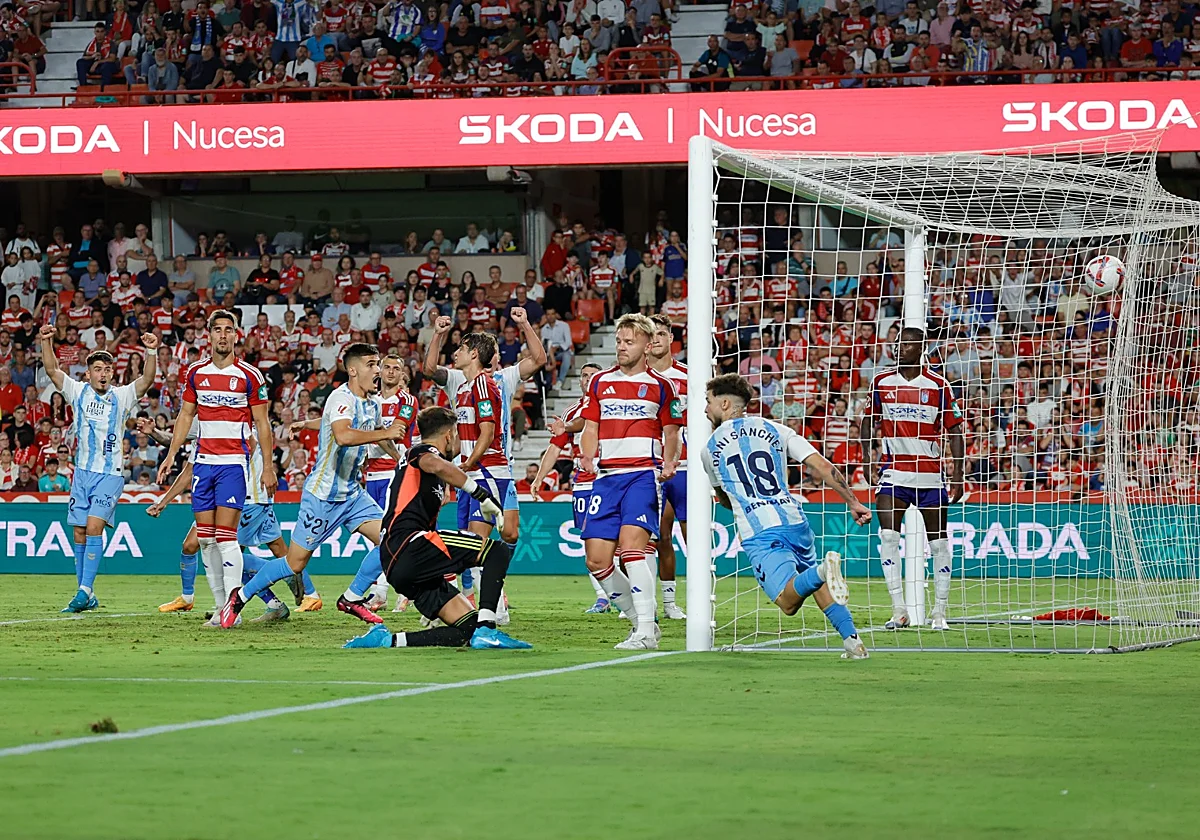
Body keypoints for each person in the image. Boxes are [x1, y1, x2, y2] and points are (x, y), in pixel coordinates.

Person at [218, 343, 407, 628]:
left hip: (353, 494)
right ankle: (239, 597)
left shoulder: (372, 402)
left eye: (378, 363)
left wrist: (400, 457)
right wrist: (386, 431)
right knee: (294, 563)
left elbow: (365, 432)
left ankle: (352, 598)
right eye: (372, 364)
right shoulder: (339, 397)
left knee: (394, 540)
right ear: (353, 370)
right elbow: (342, 434)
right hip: (323, 496)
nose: (378, 369)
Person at [703, 373, 870, 660]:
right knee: (812, 580)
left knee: (788, 602)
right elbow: (821, 464)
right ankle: (853, 642)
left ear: (725, 403)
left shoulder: (709, 449)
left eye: (708, 402)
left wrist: (744, 507)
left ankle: (822, 571)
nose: (706, 409)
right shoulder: (777, 429)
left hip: (761, 531)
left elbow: (724, 499)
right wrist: (853, 501)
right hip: (795, 520)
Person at [342, 406, 532, 650]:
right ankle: (488, 629)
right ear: (450, 435)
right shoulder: (422, 452)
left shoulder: (418, 464)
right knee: (496, 551)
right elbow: (436, 464)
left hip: (399, 564)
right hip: (411, 545)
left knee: (466, 629)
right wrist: (481, 495)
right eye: (459, 435)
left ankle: (387, 639)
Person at [155, 311, 276, 628]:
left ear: (237, 335)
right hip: (203, 465)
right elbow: (184, 416)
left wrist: (268, 467)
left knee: (226, 538)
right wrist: (171, 455)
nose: (223, 335)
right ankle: (222, 606)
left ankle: (231, 611)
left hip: (233, 464)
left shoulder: (250, 376)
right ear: (208, 335)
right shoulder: (195, 373)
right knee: (206, 540)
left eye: (228, 330)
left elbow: (262, 424)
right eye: (217, 330)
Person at [423, 308, 546, 614]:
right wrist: (437, 333)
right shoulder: (458, 382)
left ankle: (488, 597)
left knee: (506, 534)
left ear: (477, 354)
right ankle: (488, 601)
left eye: (461, 348)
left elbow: (539, 360)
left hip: (492, 466)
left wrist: (524, 324)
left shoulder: (499, 379)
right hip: (476, 469)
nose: (455, 353)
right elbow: (429, 369)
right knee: (472, 540)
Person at [579, 313, 681, 650]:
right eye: (619, 341)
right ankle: (642, 622)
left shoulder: (662, 387)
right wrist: (587, 456)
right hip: (606, 478)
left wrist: (669, 461)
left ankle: (645, 632)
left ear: (647, 345)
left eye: (629, 341)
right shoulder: (599, 383)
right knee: (596, 559)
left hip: (642, 475)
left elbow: (671, 431)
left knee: (633, 551)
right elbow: (590, 427)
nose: (621, 347)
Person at [41, 324, 159, 614]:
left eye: (107, 369)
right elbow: (53, 371)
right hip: (81, 473)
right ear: (89, 372)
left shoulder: (121, 396)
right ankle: (86, 592)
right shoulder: (78, 391)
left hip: (110, 473)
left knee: (93, 527)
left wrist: (151, 350)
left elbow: (146, 380)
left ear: (112, 374)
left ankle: (83, 591)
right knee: (79, 533)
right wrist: (46, 341)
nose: (103, 374)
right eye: (98, 369)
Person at [861, 326, 965, 631]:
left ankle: (939, 613)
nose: (900, 348)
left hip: (930, 476)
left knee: (939, 544)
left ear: (921, 347)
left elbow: (955, 431)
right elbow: (869, 421)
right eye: (898, 343)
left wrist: (958, 474)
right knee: (888, 538)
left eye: (907, 344)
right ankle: (899, 610)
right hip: (894, 473)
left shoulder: (938, 385)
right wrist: (868, 458)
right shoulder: (882, 381)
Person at [150, 422, 293, 621]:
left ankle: (263, 598)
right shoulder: (203, 433)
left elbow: (253, 443)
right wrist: (163, 501)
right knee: (191, 546)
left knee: (230, 557)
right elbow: (186, 466)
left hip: (239, 499)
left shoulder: (234, 424)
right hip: (214, 502)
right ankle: (189, 598)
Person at [533, 363, 610, 612]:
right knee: (589, 538)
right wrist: (538, 479)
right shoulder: (570, 412)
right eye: (583, 375)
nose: (587, 379)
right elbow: (555, 448)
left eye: (592, 375)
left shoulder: (612, 403)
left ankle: (626, 594)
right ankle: (603, 597)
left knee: (619, 539)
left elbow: (583, 422)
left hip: (611, 476)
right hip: (585, 481)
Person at [647, 314, 687, 619]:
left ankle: (692, 600)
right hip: (650, 468)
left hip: (686, 468)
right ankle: (665, 603)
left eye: (662, 333)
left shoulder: (689, 376)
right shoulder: (638, 380)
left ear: (670, 338)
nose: (656, 339)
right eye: (652, 335)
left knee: (693, 537)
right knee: (658, 537)